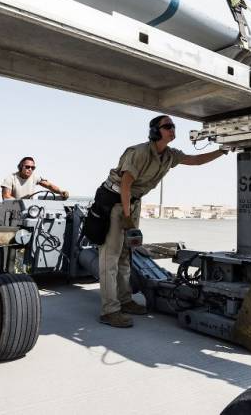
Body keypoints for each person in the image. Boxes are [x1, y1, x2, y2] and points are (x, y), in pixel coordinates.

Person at [96, 115, 226, 328]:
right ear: (156, 131)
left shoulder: (169, 155)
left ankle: (125, 300)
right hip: (115, 201)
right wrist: (127, 216)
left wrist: (223, 151)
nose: (172, 129)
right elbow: (126, 183)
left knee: (125, 257)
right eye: (167, 126)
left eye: (173, 126)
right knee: (109, 259)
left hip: (132, 202)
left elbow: (195, 160)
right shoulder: (138, 152)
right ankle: (109, 311)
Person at [1, 156, 69, 200]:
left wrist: (60, 191)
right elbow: (6, 196)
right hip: (13, 209)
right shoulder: (11, 179)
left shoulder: (34, 177)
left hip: (30, 210)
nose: (30, 169)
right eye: (27, 167)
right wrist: (20, 203)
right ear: (21, 167)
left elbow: (49, 185)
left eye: (32, 168)